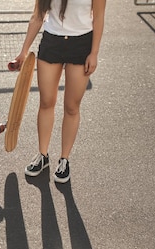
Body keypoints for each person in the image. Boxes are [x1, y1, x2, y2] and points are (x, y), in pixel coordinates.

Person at [12, 0, 106, 183]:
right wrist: (23, 52)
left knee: (71, 107)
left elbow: (99, 17)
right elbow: (37, 16)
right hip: (52, 42)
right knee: (46, 102)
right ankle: (42, 155)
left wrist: (94, 53)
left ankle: (64, 160)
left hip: (81, 44)